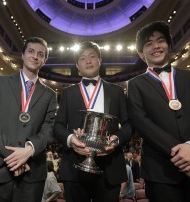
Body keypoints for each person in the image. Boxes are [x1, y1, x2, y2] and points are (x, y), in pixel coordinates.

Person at [127, 21, 190, 202]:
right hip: (161, 172)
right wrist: (181, 154)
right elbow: (140, 121)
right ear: (141, 54)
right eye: (148, 44)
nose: (156, 46)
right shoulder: (136, 84)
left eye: (160, 41)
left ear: (168, 46)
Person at [0, 37, 57, 202]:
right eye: (31, 51)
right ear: (23, 54)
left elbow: (49, 129)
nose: (35, 56)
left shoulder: (50, 94)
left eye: (41, 54)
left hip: (31, 173)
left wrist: (29, 150)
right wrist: (15, 158)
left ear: (44, 60)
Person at [54, 41, 132, 202]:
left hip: (110, 167)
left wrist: (116, 140)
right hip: (75, 166)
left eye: (92, 56)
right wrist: (71, 140)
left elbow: (128, 124)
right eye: (82, 58)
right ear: (77, 65)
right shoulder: (68, 93)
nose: (88, 61)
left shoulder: (116, 91)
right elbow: (58, 126)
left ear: (100, 60)